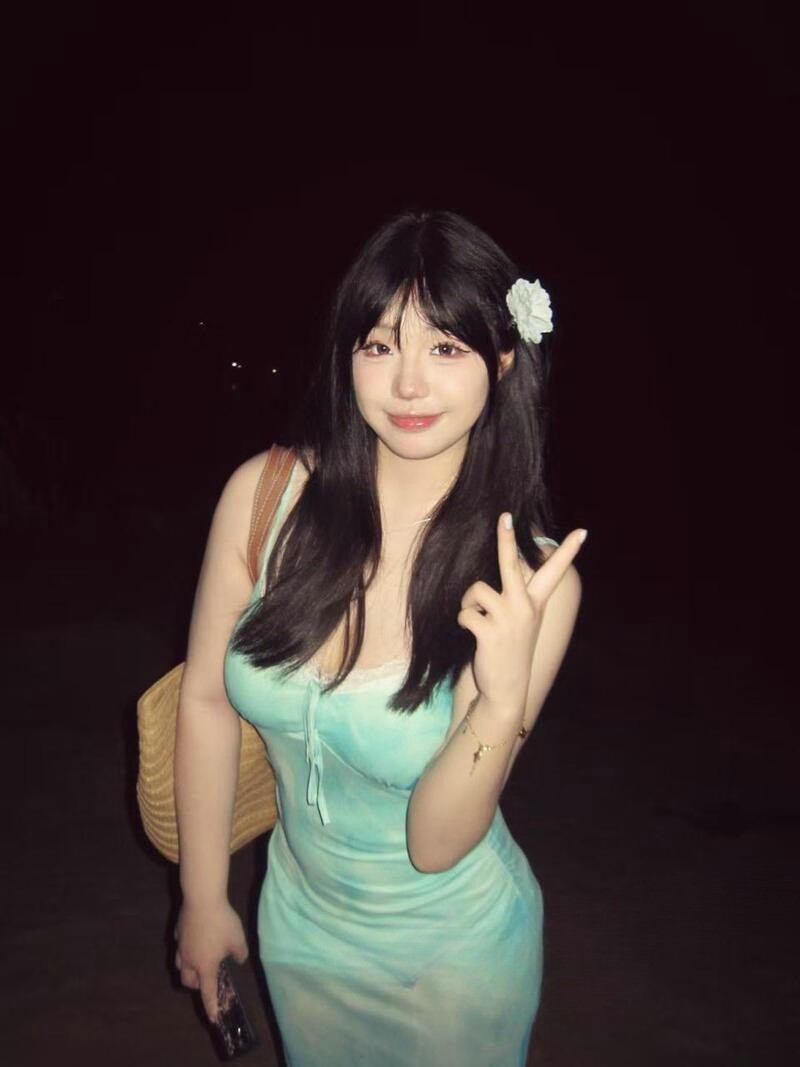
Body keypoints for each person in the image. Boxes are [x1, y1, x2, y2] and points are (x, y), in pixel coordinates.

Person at [173, 208, 585, 1065]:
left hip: (451, 962)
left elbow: (435, 843)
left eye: (445, 347)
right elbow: (207, 699)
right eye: (380, 344)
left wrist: (499, 697)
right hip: (299, 931)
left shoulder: (528, 583)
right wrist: (203, 896)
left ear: (503, 359)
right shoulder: (265, 497)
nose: (407, 383)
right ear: (347, 354)